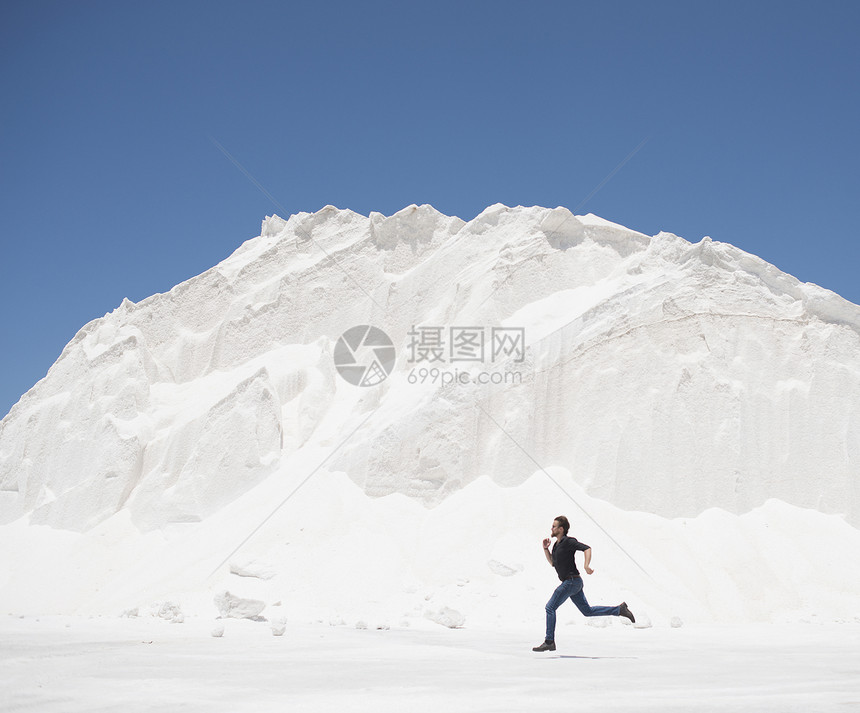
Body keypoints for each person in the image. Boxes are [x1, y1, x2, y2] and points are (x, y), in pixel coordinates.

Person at [532, 515, 635, 652]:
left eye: (554, 526)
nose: (551, 528)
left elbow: (587, 548)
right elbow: (552, 563)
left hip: (571, 581)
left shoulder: (569, 542)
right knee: (587, 611)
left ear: (561, 529)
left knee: (550, 607)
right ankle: (619, 609)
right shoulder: (556, 545)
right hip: (573, 583)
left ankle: (549, 641)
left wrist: (586, 565)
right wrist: (545, 549)